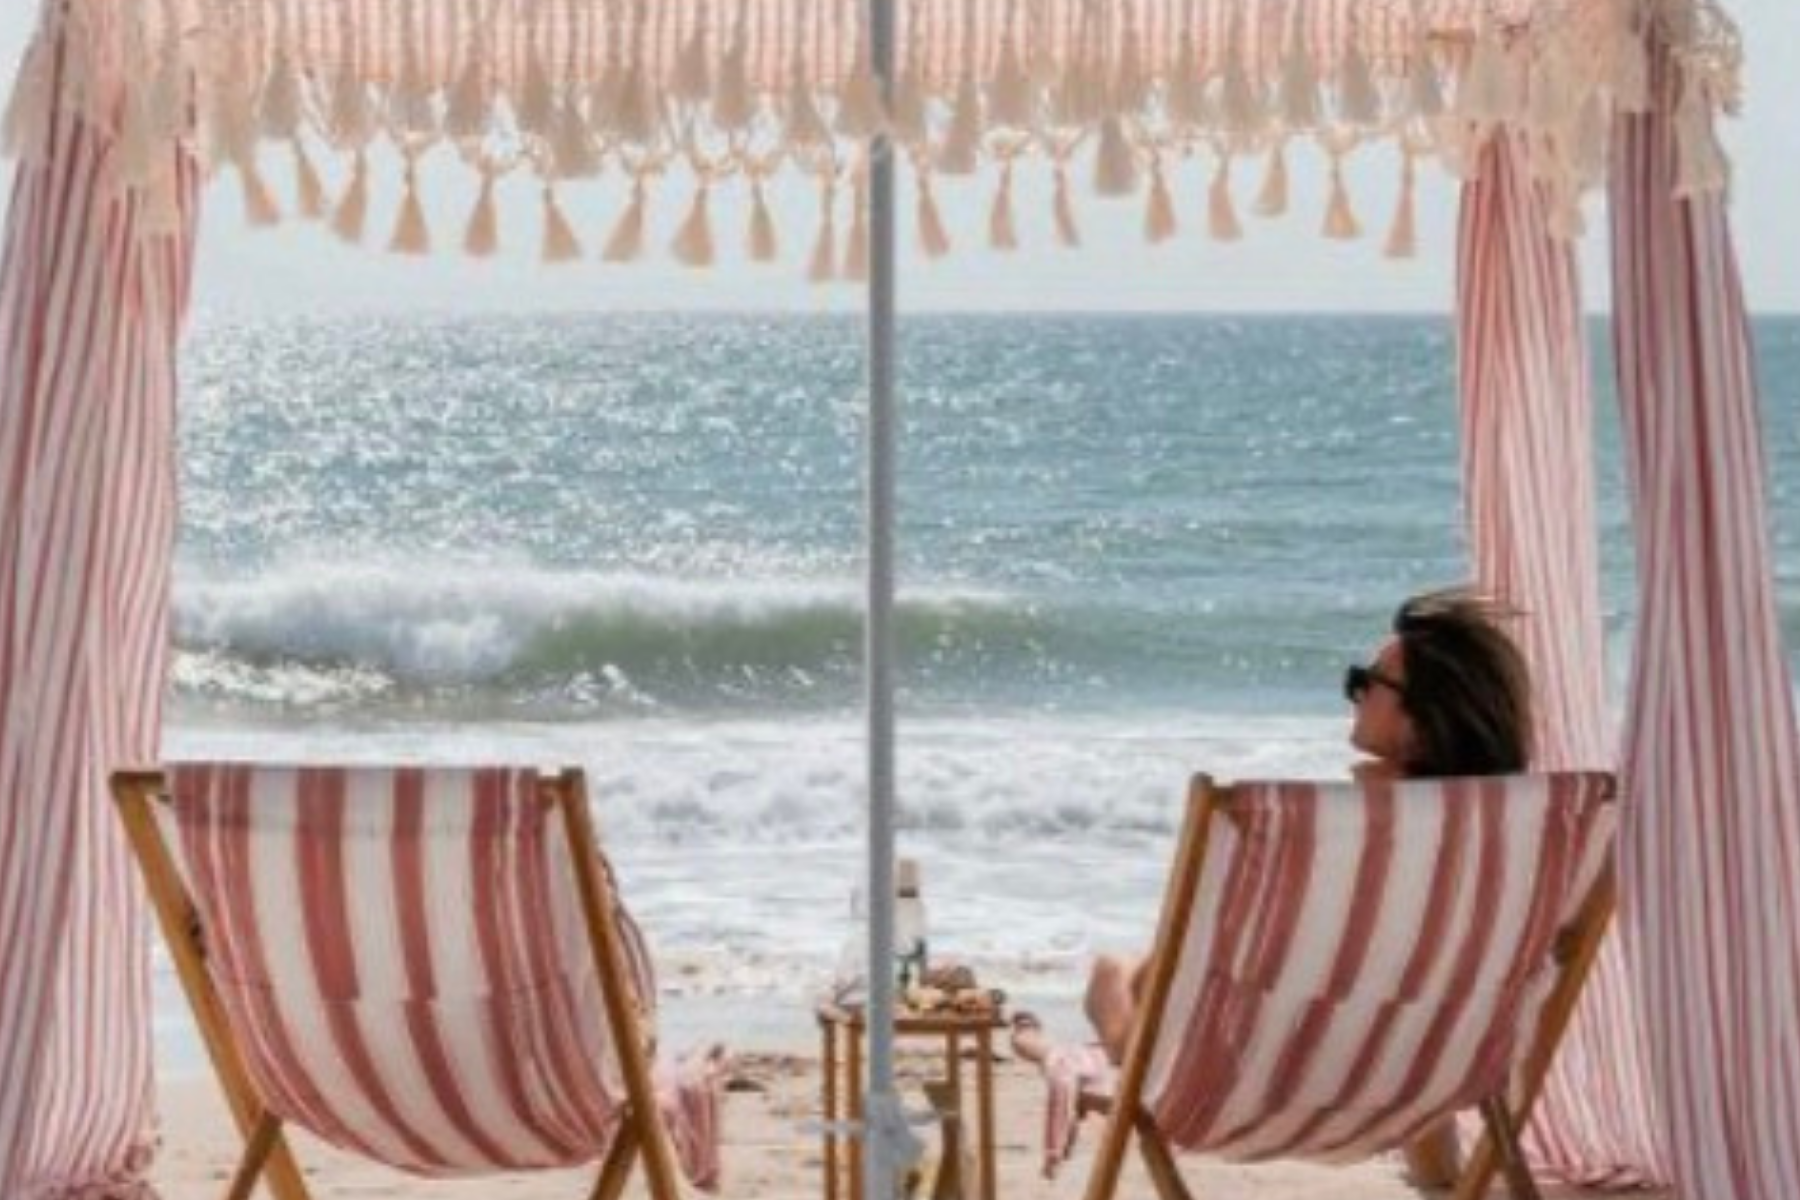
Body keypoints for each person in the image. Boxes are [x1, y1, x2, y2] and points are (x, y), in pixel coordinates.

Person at [1011, 586, 1534, 1181]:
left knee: (1111, 973)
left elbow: (1214, 963)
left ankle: (1053, 1050)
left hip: (1253, 1098)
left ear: (1420, 725)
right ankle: (1441, 1176)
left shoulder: (1326, 842)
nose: (1355, 693)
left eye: (1366, 681)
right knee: (1411, 993)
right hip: (1426, 1075)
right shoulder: (1509, 842)